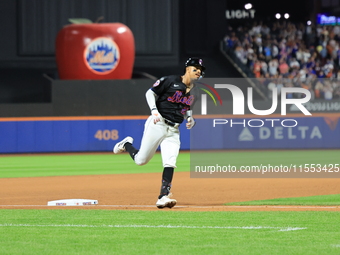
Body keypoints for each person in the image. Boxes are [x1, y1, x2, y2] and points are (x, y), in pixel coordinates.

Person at [113, 57, 205, 209]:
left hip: (174, 129)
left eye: (200, 70)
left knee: (170, 161)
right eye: (196, 69)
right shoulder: (170, 81)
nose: (198, 72)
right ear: (187, 69)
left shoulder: (195, 91)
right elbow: (150, 93)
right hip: (158, 123)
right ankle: (126, 144)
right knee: (141, 160)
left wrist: (190, 118)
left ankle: (163, 195)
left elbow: (186, 108)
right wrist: (154, 111)